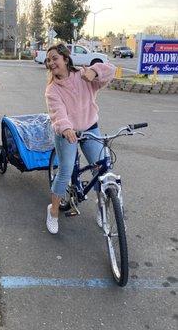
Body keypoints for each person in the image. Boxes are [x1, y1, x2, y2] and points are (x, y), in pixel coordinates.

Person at [45, 43, 116, 234]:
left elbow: (111, 70)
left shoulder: (83, 76)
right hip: (66, 132)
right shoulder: (52, 89)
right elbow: (58, 114)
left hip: (90, 127)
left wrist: (95, 71)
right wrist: (66, 128)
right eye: (48, 60)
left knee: (101, 169)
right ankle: (53, 211)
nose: (51, 63)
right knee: (66, 171)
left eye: (54, 58)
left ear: (65, 59)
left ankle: (102, 208)